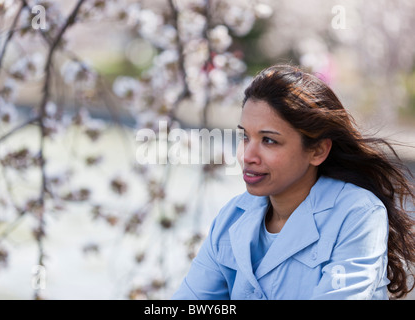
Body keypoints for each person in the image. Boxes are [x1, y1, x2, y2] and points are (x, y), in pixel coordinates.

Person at [172, 64, 415, 300]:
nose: (247, 156)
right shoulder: (232, 217)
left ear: (318, 150)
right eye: (245, 137)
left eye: (268, 140)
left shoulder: (357, 214)